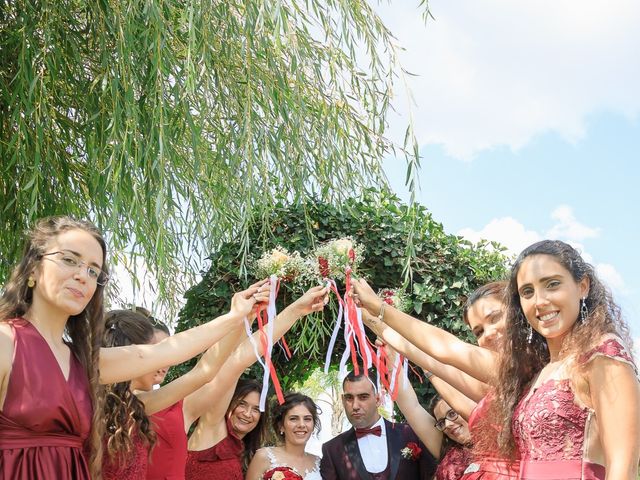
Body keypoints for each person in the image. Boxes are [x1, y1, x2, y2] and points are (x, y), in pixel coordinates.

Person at [0, 216, 266, 479]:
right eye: (69, 260)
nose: (82, 275)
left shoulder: (84, 362)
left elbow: (172, 353)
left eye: (94, 270)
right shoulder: (6, 342)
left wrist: (235, 318)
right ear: (33, 267)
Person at [353, 240, 640, 479]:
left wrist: (380, 309)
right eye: (527, 292)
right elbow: (444, 355)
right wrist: (377, 322)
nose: (540, 301)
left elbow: (623, 465)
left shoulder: (602, 352)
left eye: (552, 284)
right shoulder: (536, 377)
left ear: (583, 286)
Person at [185, 285, 328, 480]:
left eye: (255, 409)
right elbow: (232, 364)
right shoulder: (210, 431)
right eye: (242, 404)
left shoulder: (243, 452)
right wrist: (249, 318)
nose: (247, 414)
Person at [319, 370, 437, 480]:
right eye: (349, 398)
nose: (355, 406)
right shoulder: (332, 450)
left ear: (378, 399)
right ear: (343, 400)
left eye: (363, 397)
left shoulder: (411, 433)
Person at [246, 393, 321, 480]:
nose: (301, 425)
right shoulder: (264, 457)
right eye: (293, 419)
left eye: (307, 419)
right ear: (281, 426)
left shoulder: (318, 462)